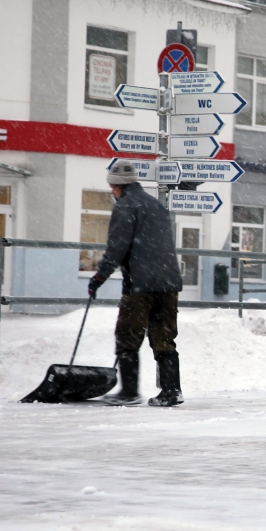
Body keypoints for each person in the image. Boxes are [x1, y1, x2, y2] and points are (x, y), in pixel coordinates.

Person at [87, 160, 184, 407]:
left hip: (140, 285)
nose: (111, 191)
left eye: (112, 186)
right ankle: (172, 391)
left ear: (118, 186)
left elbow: (117, 248)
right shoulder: (156, 206)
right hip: (168, 282)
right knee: (164, 338)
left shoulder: (126, 206)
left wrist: (99, 277)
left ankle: (129, 392)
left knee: (127, 337)